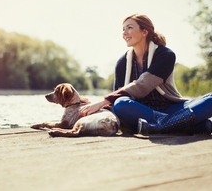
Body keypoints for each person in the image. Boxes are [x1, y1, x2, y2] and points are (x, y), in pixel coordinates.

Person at [79, 14, 212, 135]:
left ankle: (160, 126)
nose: (124, 33)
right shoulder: (122, 62)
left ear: (144, 32)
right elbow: (117, 96)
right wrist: (90, 110)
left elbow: (143, 85)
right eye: (123, 29)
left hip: (170, 108)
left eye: (129, 28)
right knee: (120, 103)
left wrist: (102, 101)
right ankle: (183, 124)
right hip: (140, 112)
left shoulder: (165, 55)